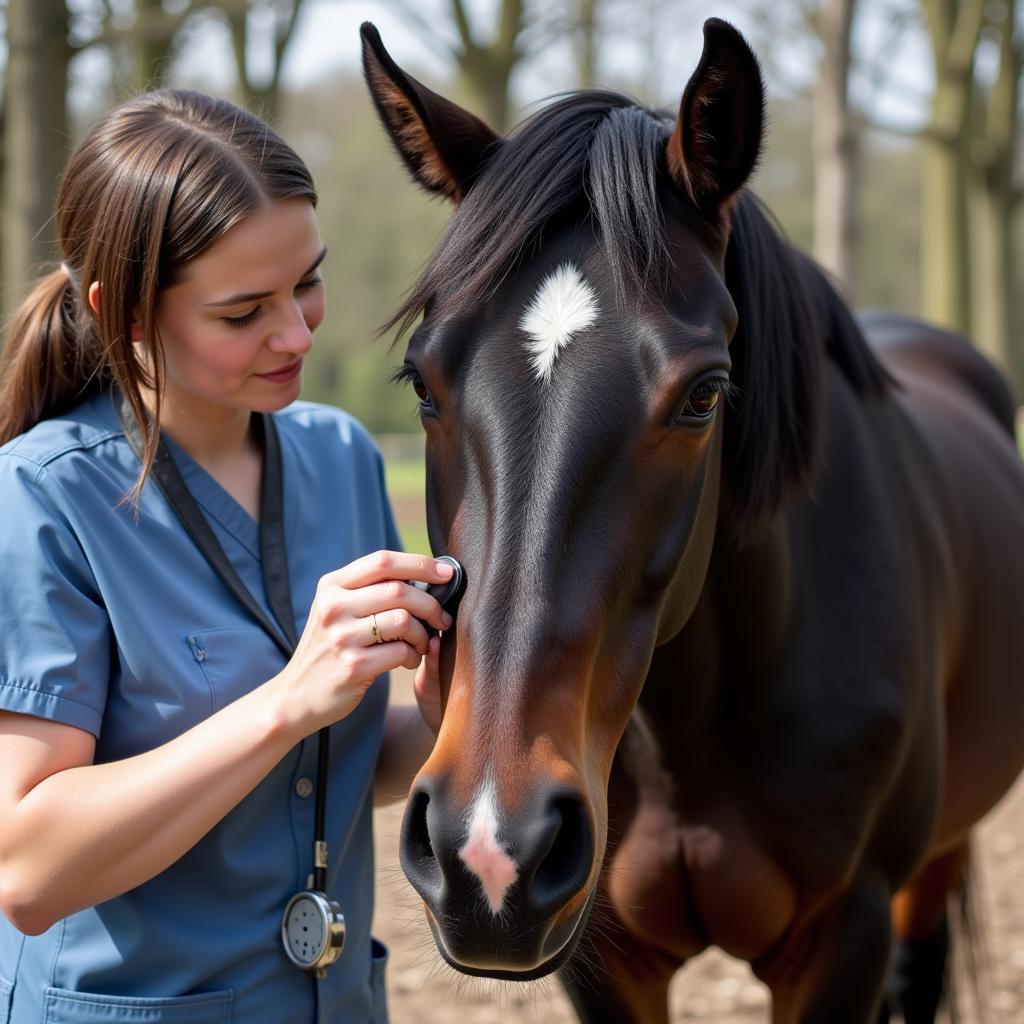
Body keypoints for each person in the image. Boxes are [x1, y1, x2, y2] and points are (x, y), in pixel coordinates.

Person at [0, 89, 449, 1023]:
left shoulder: (343, 457)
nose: (296, 333)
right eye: (243, 312)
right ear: (118, 310)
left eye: (307, 283)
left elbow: (326, 774)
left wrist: (438, 716)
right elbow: (29, 867)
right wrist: (288, 701)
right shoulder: (42, 497)